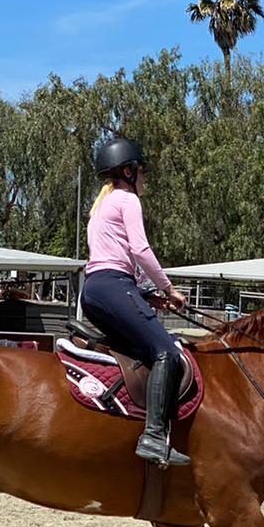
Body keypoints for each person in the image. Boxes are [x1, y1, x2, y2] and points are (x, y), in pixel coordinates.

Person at [81, 136, 191, 467]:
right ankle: (154, 437)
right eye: (142, 172)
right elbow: (139, 251)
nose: (145, 179)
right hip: (113, 286)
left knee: (142, 351)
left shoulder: (102, 205)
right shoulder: (127, 200)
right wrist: (169, 289)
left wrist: (148, 297)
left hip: (96, 289)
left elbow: (108, 260)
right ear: (128, 171)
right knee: (166, 352)